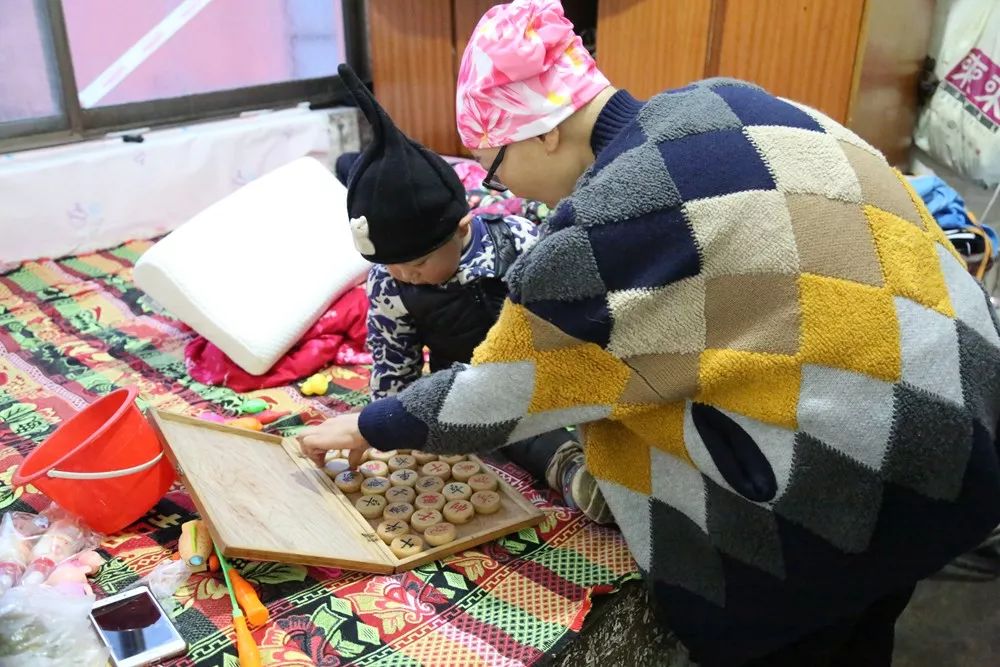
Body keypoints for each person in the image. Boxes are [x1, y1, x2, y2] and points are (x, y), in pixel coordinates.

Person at [302, 2, 1000, 665]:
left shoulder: (609, 220)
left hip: (854, 476)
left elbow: (505, 389)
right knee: (871, 617)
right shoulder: (725, 100)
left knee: (807, 625)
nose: (505, 189)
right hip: (957, 421)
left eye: (494, 165)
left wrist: (369, 424)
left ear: (543, 131)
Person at [328, 64, 612, 523]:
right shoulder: (390, 283)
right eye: (391, 265)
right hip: (467, 388)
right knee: (502, 428)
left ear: (462, 229)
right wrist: (383, 428)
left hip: (542, 365)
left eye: (419, 263)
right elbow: (394, 368)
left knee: (592, 405)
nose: (405, 274)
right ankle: (569, 471)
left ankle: (617, 464)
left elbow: (571, 317)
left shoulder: (516, 240)